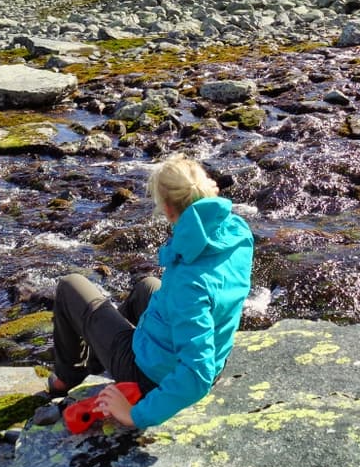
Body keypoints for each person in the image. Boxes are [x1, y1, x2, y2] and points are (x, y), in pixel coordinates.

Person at [48, 154, 254, 429]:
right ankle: (96, 358)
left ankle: (66, 377)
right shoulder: (237, 232)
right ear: (209, 190)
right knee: (147, 285)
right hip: (209, 355)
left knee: (70, 286)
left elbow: (197, 373)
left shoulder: (189, 283)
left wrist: (135, 415)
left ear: (168, 209)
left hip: (150, 375)